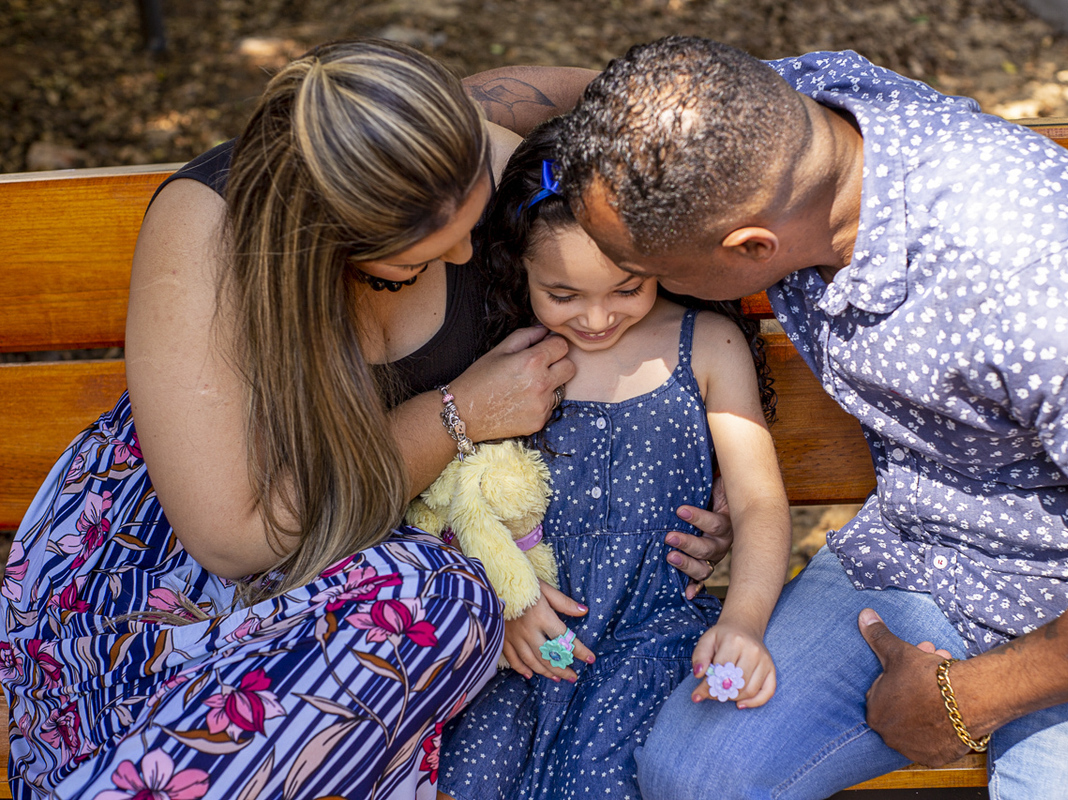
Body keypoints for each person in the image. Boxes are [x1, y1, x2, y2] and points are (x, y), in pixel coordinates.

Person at [0, 40, 732, 800]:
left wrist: (699, 483)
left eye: (473, 225)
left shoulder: (438, 143)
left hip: (396, 551)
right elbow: (232, 537)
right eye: (409, 265)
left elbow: (628, 104)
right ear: (318, 239)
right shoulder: (209, 237)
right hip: (180, 590)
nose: (463, 262)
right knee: (442, 603)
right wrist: (459, 414)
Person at [555, 36, 1068, 800]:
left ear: (751, 248)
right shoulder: (794, 111)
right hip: (920, 554)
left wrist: (964, 702)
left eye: (651, 276)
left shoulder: (1034, 269)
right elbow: (620, 102)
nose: (645, 289)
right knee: (696, 778)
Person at [435, 118, 792, 800]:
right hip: (526, 636)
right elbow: (462, 496)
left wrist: (742, 622)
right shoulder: (511, 359)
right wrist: (503, 602)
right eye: (563, 294)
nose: (596, 318)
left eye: (627, 289)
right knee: (468, 778)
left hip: (651, 638)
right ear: (520, 269)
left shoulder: (706, 347)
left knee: (607, 781)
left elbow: (757, 501)